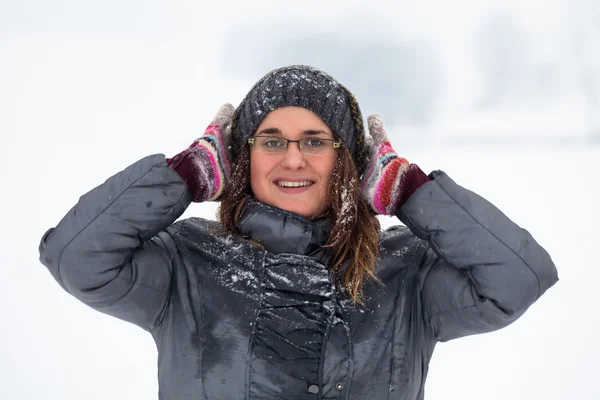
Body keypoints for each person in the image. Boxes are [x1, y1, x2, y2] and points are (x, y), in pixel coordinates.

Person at [39, 65, 558, 399]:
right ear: (240, 158)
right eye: (270, 141)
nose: (292, 159)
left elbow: (518, 278)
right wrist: (182, 176)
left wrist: (412, 194)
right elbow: (76, 257)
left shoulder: (406, 272)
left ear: (349, 160)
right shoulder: (186, 262)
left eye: (315, 141)